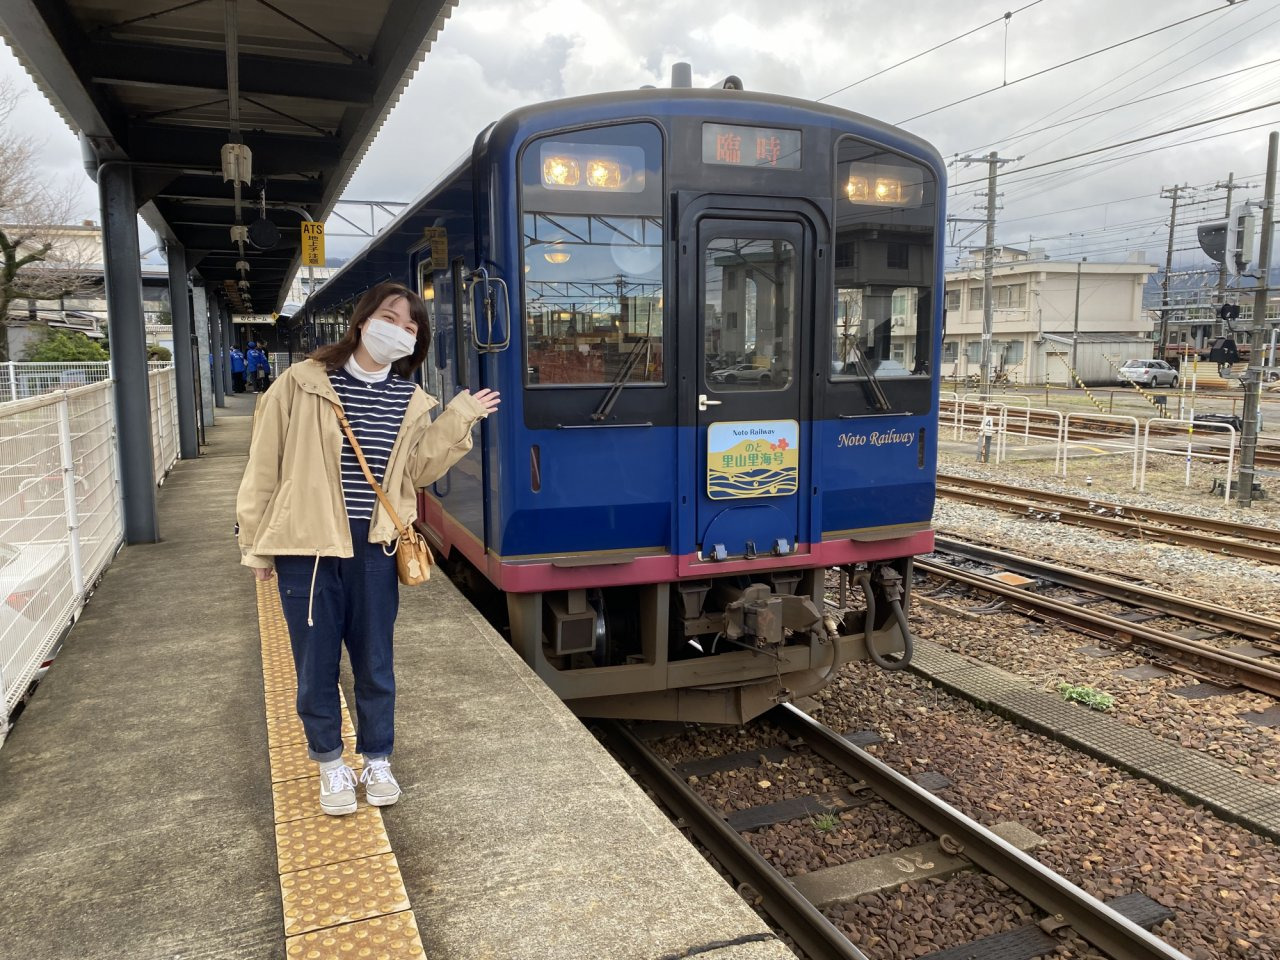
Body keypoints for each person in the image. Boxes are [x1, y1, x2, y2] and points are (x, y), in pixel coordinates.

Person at [236, 281, 500, 816]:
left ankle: (376, 757)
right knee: (315, 663)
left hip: (376, 545)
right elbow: (264, 467)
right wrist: (256, 545)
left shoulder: (410, 399)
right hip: (307, 545)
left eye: (411, 326)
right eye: (391, 318)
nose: (399, 331)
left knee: (376, 660)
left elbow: (419, 471)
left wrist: (459, 416)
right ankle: (330, 764)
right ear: (362, 321)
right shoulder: (302, 383)